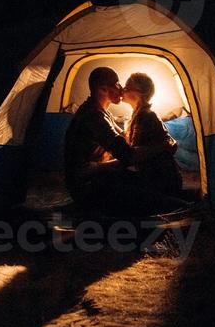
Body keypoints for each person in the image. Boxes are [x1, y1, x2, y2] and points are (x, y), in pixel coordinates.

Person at [64, 66, 182, 216]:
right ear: (103, 89)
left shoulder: (102, 112)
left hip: (97, 177)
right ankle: (185, 208)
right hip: (87, 185)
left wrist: (165, 140)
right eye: (117, 84)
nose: (121, 89)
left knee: (141, 184)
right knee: (142, 193)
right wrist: (162, 145)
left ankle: (176, 203)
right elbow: (128, 155)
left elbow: (124, 141)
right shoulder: (94, 117)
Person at [123, 72, 182, 196]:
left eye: (127, 87)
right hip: (158, 177)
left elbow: (134, 154)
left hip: (161, 182)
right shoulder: (139, 114)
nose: (123, 90)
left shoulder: (146, 116)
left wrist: (98, 167)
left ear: (139, 93)